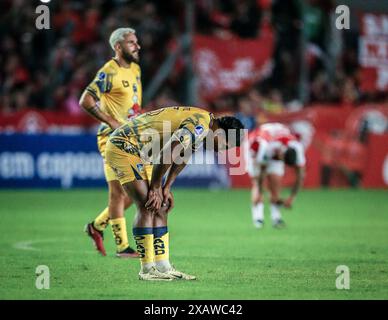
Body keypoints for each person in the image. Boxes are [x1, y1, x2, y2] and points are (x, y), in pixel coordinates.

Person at [105, 106, 244, 280]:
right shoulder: (199, 124)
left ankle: (163, 266)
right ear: (222, 133)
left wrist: (166, 186)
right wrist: (156, 187)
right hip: (124, 146)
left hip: (141, 151)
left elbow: (182, 155)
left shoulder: (204, 130)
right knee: (147, 204)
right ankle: (147, 270)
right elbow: (169, 152)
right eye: (225, 145)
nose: (221, 150)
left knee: (161, 205)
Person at [79, 28, 142, 257]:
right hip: (112, 139)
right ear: (118, 47)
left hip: (132, 138)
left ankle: (96, 226)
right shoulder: (109, 72)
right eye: (132, 42)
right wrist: (111, 121)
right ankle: (122, 247)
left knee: (138, 193)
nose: (138, 46)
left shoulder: (135, 69)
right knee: (118, 193)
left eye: (137, 42)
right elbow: (85, 100)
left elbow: (132, 105)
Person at [245, 122, 305, 229]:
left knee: (276, 183)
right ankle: (258, 218)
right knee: (257, 183)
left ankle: (276, 218)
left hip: (274, 145)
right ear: (281, 154)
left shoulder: (297, 148)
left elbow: (300, 176)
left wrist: (292, 198)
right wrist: (260, 189)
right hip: (254, 147)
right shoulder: (264, 146)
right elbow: (261, 174)